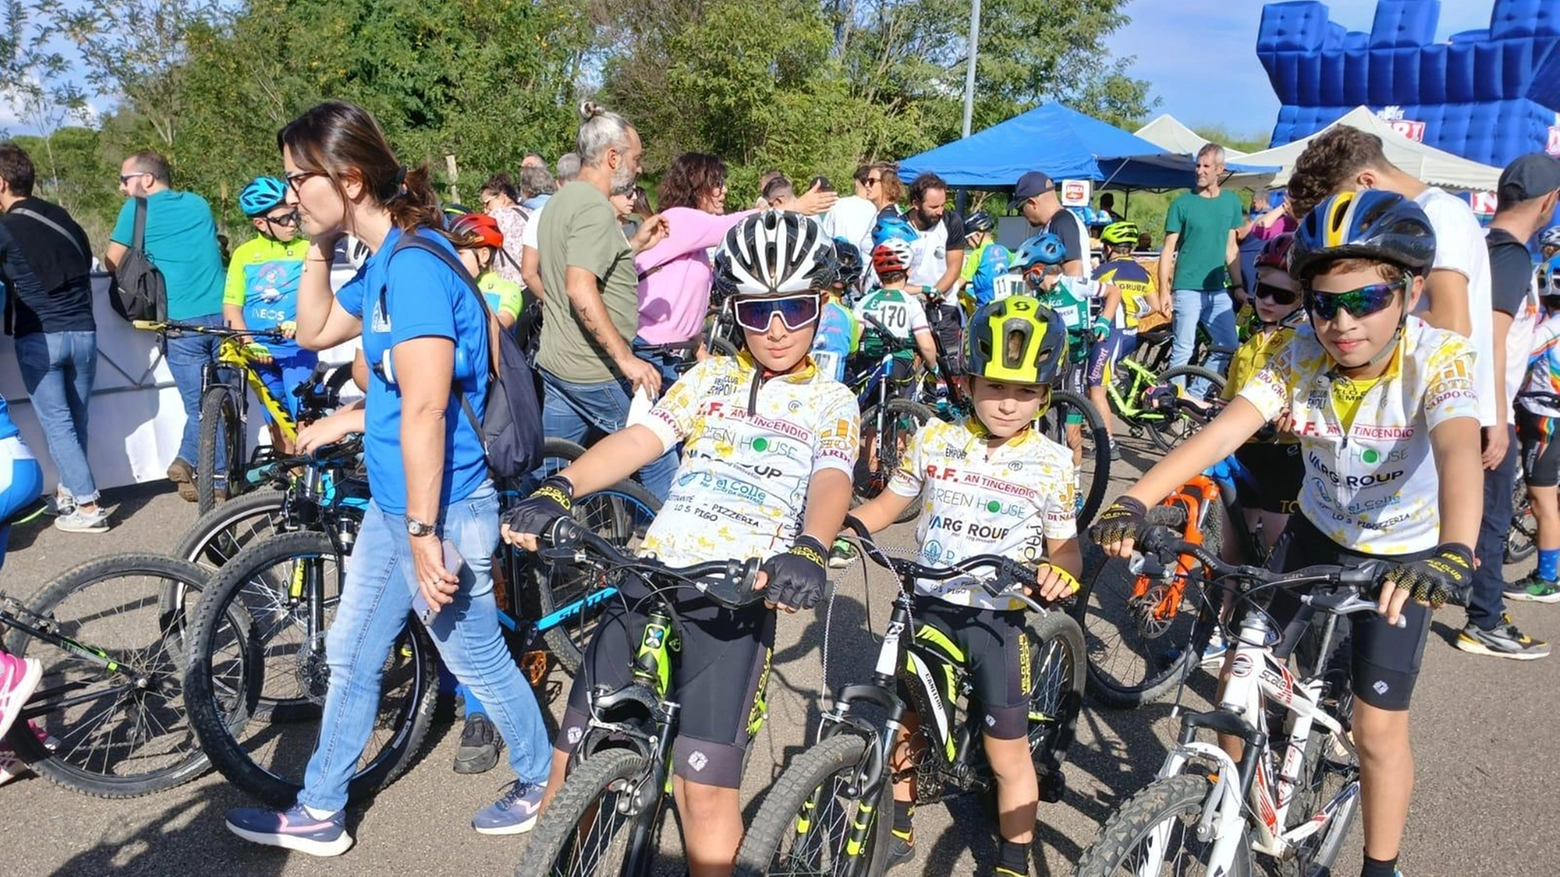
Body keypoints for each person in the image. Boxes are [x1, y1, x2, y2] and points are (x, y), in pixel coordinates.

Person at [1092, 189, 1484, 877]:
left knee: (1375, 726)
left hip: (1406, 555)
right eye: (1324, 302)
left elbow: (1458, 452)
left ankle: (1379, 865)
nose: (1340, 321)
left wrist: (1456, 550)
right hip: (1319, 530)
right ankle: (1224, 795)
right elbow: (1223, 429)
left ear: (1413, 290)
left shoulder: (1441, 357)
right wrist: (1136, 499)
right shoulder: (1301, 350)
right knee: (1243, 664)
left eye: (1365, 300)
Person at [223, 100, 554, 855]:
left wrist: (424, 532)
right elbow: (313, 332)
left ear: (346, 176)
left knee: (474, 655)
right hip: (398, 505)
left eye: (297, 179)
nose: (287, 195)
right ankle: (321, 807)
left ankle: (543, 776)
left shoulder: (410, 268)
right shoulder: (382, 264)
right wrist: (318, 242)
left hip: (441, 507)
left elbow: (429, 405)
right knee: (352, 650)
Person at [503, 210, 857, 877]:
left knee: (703, 792)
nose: (776, 327)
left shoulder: (832, 400)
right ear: (734, 313)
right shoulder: (707, 379)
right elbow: (641, 440)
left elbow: (832, 478)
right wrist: (562, 487)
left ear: (822, 304)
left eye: (794, 308)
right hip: (653, 571)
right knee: (569, 756)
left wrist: (810, 545)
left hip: (734, 592)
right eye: (757, 312)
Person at [849, 295, 1083, 877]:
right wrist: (843, 528)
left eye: (1026, 392)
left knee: (1008, 752)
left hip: (994, 619)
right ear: (970, 379)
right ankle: (898, 822)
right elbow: (889, 504)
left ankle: (1013, 855)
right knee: (906, 717)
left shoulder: (1054, 461)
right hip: (926, 600)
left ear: (1047, 392)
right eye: (996, 385)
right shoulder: (935, 439)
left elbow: (1067, 547)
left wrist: (1063, 572)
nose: (1008, 403)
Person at [1289, 126, 1516, 654]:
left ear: (1366, 181)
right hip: (1424, 409)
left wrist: (1342, 332)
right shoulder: (1442, 212)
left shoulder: (1440, 216)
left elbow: (1453, 325)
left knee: (1399, 554)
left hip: (1426, 416)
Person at [533, 102, 677, 501]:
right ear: (613, 157)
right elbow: (580, 287)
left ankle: (537, 547)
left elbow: (582, 266)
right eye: (636, 158)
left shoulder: (559, 202)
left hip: (559, 364)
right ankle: (679, 556)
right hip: (594, 370)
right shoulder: (595, 209)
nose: (640, 168)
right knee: (656, 448)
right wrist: (627, 360)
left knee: (552, 473)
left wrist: (633, 246)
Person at [634, 152, 833, 384]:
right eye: (717, 184)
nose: (724, 190)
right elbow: (732, 227)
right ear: (696, 184)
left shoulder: (694, 240)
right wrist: (794, 207)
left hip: (671, 350)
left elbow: (688, 303)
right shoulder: (677, 219)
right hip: (652, 349)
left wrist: (699, 350)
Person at [104, 150, 227, 503]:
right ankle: (190, 461)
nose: (122, 188)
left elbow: (111, 263)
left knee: (200, 405)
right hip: (222, 314)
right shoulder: (199, 203)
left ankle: (211, 476)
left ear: (146, 179)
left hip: (178, 321)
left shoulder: (136, 209)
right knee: (223, 395)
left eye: (125, 180)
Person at [1474, 155, 1560, 641]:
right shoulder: (1509, 255)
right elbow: (1491, 336)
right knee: (1491, 518)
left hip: (1478, 405)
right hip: (1487, 410)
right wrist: (1495, 417)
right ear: (1549, 202)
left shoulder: (1485, 246)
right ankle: (1485, 621)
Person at [0, 142, 104, 532]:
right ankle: (67, 493)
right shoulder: (62, 218)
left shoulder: (5, 229)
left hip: (41, 337)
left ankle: (90, 508)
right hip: (85, 334)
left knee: (57, 424)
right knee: (77, 421)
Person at [1219, 233, 1304, 553]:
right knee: (1230, 549)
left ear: (1301, 300)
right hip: (1244, 451)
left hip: (1282, 457)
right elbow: (1227, 399)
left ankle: (1272, 602)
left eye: (1283, 296)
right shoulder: (1248, 347)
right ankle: (1225, 604)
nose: (1268, 301)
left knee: (1274, 548)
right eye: (1263, 290)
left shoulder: (1302, 345)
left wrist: (1294, 413)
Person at [223, 176, 318, 458]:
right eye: (282, 219)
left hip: (297, 349)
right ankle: (294, 483)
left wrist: (304, 323)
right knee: (277, 425)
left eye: (294, 215)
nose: (292, 223)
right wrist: (249, 343)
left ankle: (318, 485)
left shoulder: (307, 249)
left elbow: (322, 300)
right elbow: (231, 308)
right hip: (259, 351)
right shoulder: (244, 255)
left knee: (305, 421)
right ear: (260, 224)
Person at [1015, 232, 1123, 459]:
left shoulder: (1073, 285)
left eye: (1025, 274)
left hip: (1074, 362)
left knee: (1072, 432)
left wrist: (1103, 321)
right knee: (1047, 424)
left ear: (1037, 272)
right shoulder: (1037, 298)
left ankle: (1076, 484)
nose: (1024, 280)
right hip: (1050, 365)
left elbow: (1114, 292)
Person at [1158, 143, 1244, 390]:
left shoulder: (1231, 203)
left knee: (1229, 345)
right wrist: (1165, 291)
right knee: (1183, 349)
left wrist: (1238, 286)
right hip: (1187, 288)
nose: (1200, 171)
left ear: (1220, 169)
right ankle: (1172, 402)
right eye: (1198, 165)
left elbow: (1231, 248)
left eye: (1206, 166)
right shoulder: (1182, 203)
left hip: (1217, 290)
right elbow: (1168, 249)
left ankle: (1194, 395)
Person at [1515, 254, 1560, 604]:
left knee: (1542, 502)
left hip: (1544, 418)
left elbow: (1520, 354)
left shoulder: (1552, 327)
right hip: (1545, 415)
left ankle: (1548, 579)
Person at [855, 239, 941, 382]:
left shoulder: (865, 302)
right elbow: (926, 346)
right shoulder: (911, 303)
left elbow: (854, 339)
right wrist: (933, 367)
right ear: (908, 270)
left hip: (869, 365)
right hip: (901, 366)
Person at [903, 173, 966, 362]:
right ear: (915, 203)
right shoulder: (899, 225)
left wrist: (935, 292)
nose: (940, 211)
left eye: (942, 205)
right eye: (933, 207)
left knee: (948, 365)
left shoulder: (951, 222)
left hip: (942, 305)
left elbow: (954, 267)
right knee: (908, 363)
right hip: (908, 304)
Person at [518, 152, 580, 300]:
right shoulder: (593, 212)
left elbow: (528, 273)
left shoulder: (538, 215)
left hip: (555, 294)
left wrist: (551, 302)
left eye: (530, 168)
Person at [447, 212, 523, 330]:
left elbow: (502, 323)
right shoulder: (453, 286)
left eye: (460, 254)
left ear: (484, 255)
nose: (454, 260)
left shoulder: (508, 290)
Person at [1093, 220, 1157, 355]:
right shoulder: (1144, 273)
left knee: (1096, 376)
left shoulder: (1105, 271)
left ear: (1108, 248)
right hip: (1132, 334)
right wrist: (1133, 313)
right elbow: (1156, 306)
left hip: (1110, 334)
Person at [1014, 171, 1086, 277]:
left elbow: (1073, 273)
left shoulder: (1062, 222)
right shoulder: (1055, 222)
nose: (1022, 214)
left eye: (1020, 209)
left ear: (1032, 203)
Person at [824, 163, 888, 257]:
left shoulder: (837, 204)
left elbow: (826, 234)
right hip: (863, 265)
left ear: (856, 183)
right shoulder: (877, 211)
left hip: (836, 261)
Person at [478, 173, 529, 287]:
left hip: (511, 288)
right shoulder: (530, 213)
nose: (485, 210)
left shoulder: (497, 215)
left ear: (502, 197)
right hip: (535, 283)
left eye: (487, 203)